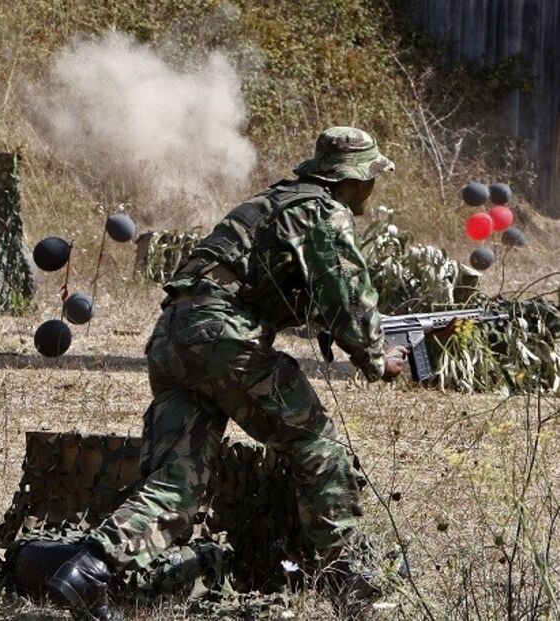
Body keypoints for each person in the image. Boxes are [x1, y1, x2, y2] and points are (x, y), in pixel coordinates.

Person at [43, 127, 409, 620]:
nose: (374, 187)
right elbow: (347, 296)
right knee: (317, 446)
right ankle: (347, 578)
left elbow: (280, 288)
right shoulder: (324, 211)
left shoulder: (275, 202)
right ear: (358, 177)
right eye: (373, 176)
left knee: (178, 482)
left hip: (173, 337)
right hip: (223, 339)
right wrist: (376, 358)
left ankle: (87, 570)